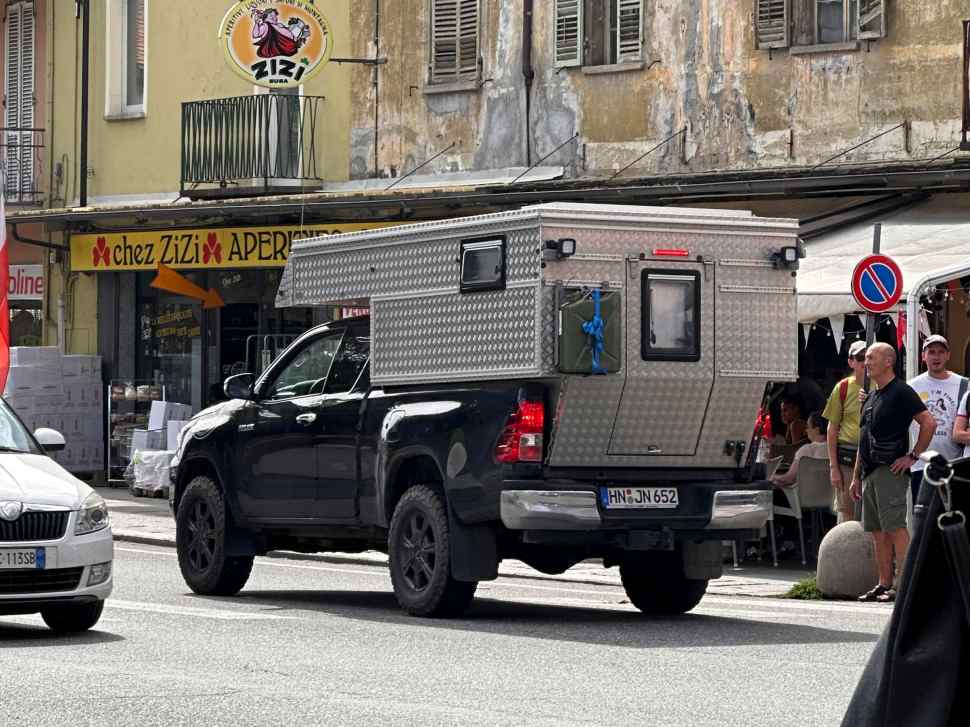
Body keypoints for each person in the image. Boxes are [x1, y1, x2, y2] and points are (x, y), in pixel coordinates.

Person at [851, 343, 936, 603]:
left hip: (890, 470)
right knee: (877, 532)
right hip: (869, 471)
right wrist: (856, 476)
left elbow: (929, 422)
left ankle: (904, 586)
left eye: (870, 357)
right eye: (865, 358)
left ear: (888, 361)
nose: (866, 363)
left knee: (896, 528)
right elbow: (863, 438)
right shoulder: (871, 396)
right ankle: (884, 583)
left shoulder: (901, 390)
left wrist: (912, 456)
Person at [907, 334, 968, 501]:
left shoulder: (965, 385)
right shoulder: (911, 386)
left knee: (952, 515)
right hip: (921, 465)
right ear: (923, 356)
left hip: (954, 465)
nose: (936, 356)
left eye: (941, 352)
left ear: (948, 355)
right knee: (923, 515)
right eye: (931, 352)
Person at [823, 340, 867, 522]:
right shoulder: (842, 388)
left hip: (874, 459)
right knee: (846, 514)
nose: (865, 361)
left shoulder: (883, 385)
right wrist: (834, 467)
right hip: (847, 459)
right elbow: (832, 429)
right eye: (860, 357)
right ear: (851, 362)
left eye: (869, 357)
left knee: (873, 517)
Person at [771, 411, 829, 488]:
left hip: (805, 494)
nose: (806, 430)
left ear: (817, 429)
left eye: (808, 427)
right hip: (830, 494)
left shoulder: (807, 449)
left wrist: (772, 476)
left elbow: (789, 479)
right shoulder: (837, 450)